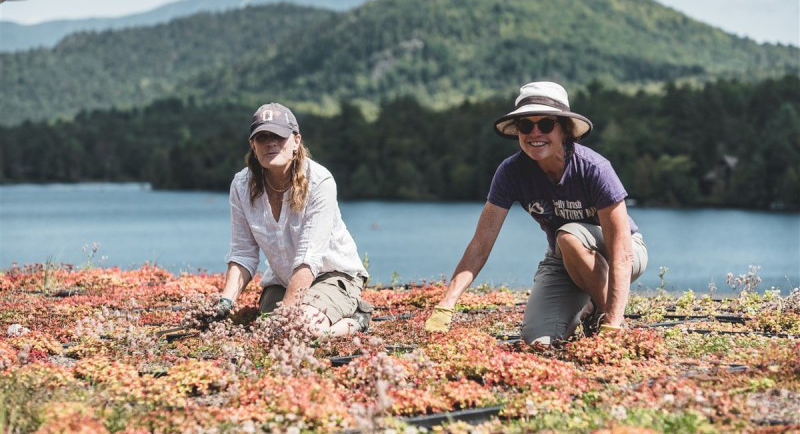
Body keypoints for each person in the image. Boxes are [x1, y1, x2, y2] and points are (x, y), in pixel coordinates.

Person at [425, 81, 647, 345]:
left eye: (545, 124)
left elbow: (621, 253)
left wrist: (613, 322)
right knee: (537, 342)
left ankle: (602, 313)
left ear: (564, 129)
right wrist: (446, 304)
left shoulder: (594, 169)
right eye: (526, 125)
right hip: (563, 258)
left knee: (567, 236)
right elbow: (480, 245)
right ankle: (589, 307)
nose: (535, 133)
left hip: (622, 253)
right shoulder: (510, 173)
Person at [216, 102, 372, 337]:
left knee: (299, 328)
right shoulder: (241, 185)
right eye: (262, 137)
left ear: (296, 141)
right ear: (253, 146)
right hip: (282, 281)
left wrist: (286, 318)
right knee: (270, 330)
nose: (271, 143)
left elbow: (309, 259)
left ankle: (358, 320)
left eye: (278, 136)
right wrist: (225, 303)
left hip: (333, 274)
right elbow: (242, 254)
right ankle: (307, 321)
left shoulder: (320, 181)